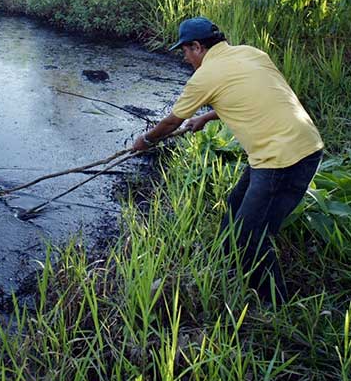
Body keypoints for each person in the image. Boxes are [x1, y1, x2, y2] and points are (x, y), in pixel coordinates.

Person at [131, 16, 323, 302]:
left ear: (197, 47)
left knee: (249, 236)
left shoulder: (204, 77)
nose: (186, 58)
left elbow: (171, 122)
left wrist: (145, 141)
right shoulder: (251, 53)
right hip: (301, 144)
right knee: (234, 212)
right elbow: (253, 96)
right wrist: (206, 117)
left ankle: (275, 305)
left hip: (283, 160)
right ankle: (229, 270)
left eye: (185, 51)